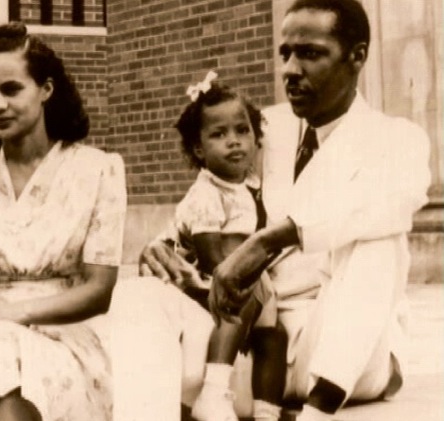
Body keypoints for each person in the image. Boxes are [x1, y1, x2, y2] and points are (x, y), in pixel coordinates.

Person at [141, 1, 431, 420]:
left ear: (357, 56)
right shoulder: (260, 127)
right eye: (286, 54)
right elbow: (211, 190)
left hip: (339, 348)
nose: (290, 70)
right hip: (257, 345)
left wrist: (268, 239)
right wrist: (163, 243)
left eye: (310, 53)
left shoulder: (395, 137)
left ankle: (318, 411)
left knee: (382, 240)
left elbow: (390, 203)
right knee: (144, 299)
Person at [0, 22, 125, 421]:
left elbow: (100, 290)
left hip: (65, 335)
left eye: (11, 89)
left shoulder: (98, 169)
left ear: (46, 90)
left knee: (5, 353)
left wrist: (15, 312)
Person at [163, 72, 286, 421]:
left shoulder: (251, 185)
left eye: (242, 131)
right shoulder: (206, 193)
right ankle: (214, 391)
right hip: (206, 284)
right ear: (199, 149)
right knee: (238, 293)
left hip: (249, 282)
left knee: (275, 338)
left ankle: (267, 411)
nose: (234, 142)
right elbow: (212, 259)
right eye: (219, 134)